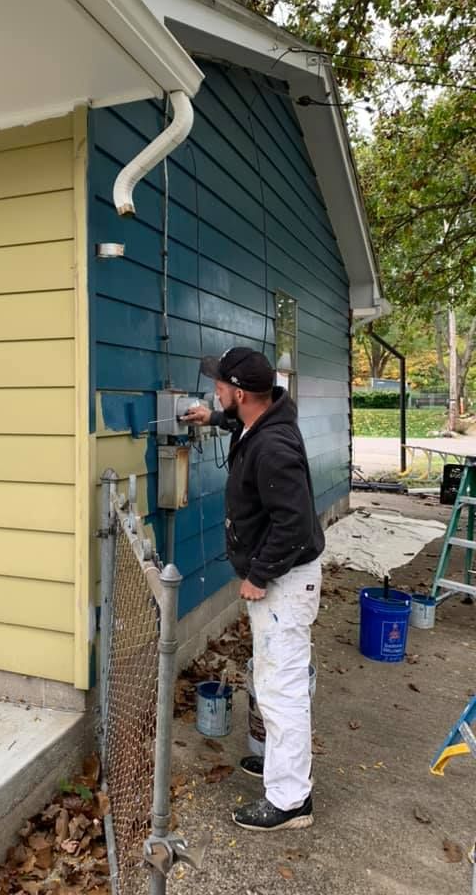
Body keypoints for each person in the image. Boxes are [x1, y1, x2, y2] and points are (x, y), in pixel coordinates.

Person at [183, 347, 324, 831]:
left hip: (283, 584)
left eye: (219, 386)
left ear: (239, 393)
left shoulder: (273, 446)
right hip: (281, 583)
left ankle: (290, 800)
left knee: (281, 689)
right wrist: (213, 419)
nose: (214, 390)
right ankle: (283, 769)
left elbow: (297, 523)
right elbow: (244, 427)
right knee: (271, 679)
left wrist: (259, 575)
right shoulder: (259, 422)